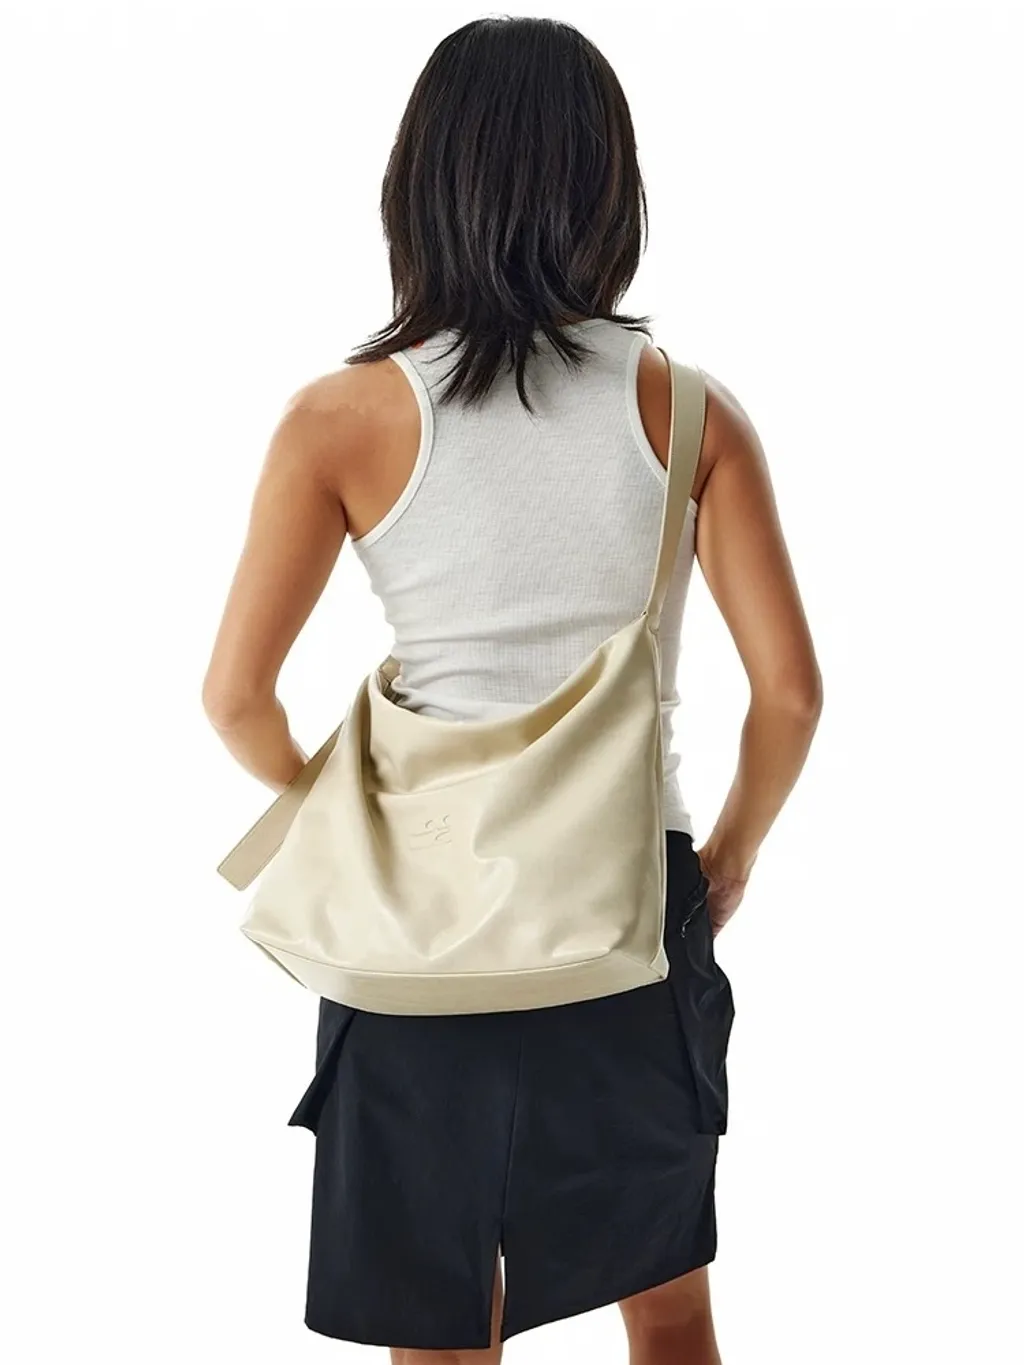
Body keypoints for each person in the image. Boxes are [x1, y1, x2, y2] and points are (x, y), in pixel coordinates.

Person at [202, 15, 822, 1365]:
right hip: (628, 904)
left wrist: (358, 825)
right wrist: (726, 858)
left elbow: (237, 697)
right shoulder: (689, 414)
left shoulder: (339, 418)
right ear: (611, 189)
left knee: (433, 1324)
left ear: (418, 186)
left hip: (415, 921)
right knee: (668, 1301)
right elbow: (790, 696)